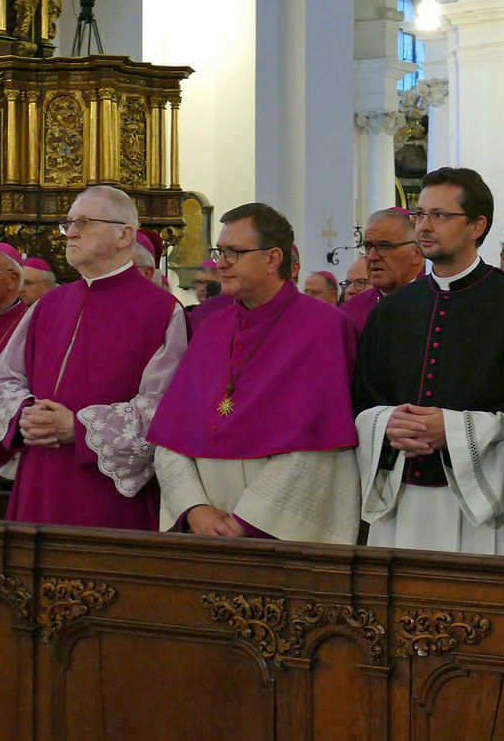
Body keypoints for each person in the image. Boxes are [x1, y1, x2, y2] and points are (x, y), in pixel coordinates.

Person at [354, 167, 504, 556]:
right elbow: (364, 398)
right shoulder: (392, 311)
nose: (424, 227)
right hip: (401, 500)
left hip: (488, 507)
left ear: (477, 225)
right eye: (420, 215)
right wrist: (386, 423)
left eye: (440, 216)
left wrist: (453, 428)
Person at [0, 185, 188, 529]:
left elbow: (166, 408)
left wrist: (78, 428)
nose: (71, 231)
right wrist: (23, 414)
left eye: (85, 222)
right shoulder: (49, 305)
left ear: (124, 235)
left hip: (106, 495)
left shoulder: (161, 311)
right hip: (39, 480)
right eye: (69, 222)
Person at [148, 203, 361, 543]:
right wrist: (193, 508)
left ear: (273, 259)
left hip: (281, 529)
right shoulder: (210, 328)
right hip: (204, 528)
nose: (220, 262)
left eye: (234, 252)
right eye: (220, 251)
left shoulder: (325, 328)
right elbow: (172, 434)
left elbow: (321, 445)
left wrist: (251, 520)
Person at [340, 207, 424, 330]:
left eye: (385, 246)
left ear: (416, 254)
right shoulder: (351, 311)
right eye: (368, 246)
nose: (372, 257)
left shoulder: (437, 304)